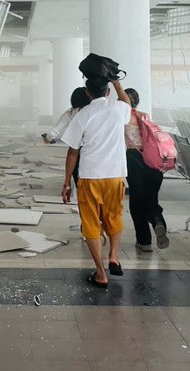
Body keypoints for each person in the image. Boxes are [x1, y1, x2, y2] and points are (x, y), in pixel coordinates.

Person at [61, 77, 132, 288]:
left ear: (87, 93)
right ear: (108, 92)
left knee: (91, 223)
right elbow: (127, 103)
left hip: (90, 176)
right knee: (114, 216)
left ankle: (101, 274)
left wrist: (67, 182)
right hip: (115, 175)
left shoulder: (83, 115)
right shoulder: (119, 109)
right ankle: (114, 256)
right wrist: (117, 83)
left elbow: (73, 151)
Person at [124, 88, 169, 252]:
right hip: (154, 162)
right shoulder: (145, 116)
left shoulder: (122, 118)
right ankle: (157, 221)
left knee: (137, 201)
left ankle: (144, 241)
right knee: (151, 199)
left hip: (134, 159)